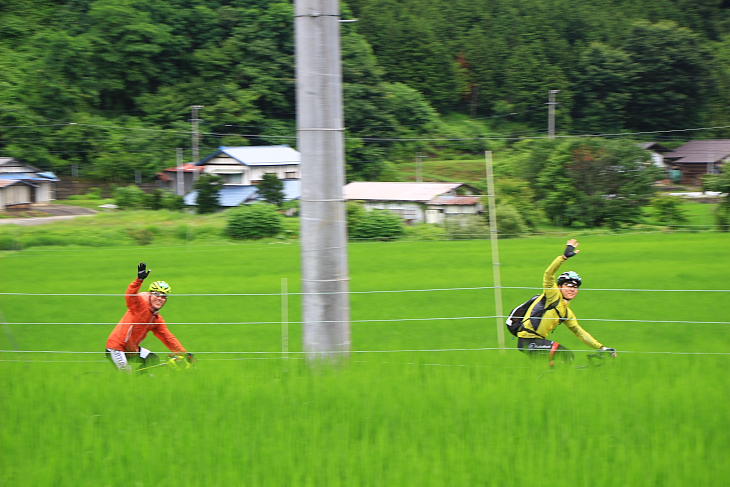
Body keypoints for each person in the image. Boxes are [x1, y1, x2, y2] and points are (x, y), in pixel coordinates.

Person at [516, 239, 616, 366]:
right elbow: (548, 274)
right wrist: (563, 257)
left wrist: (601, 348)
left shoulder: (566, 312)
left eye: (575, 287)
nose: (572, 289)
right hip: (529, 340)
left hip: (537, 342)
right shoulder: (552, 296)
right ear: (559, 287)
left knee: (553, 369)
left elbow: (580, 333)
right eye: (568, 285)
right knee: (566, 356)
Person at [105, 262, 193, 372]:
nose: (159, 298)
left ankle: (140, 381)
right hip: (117, 347)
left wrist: (183, 354)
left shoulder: (156, 319)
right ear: (150, 294)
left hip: (131, 350)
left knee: (152, 359)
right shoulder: (139, 305)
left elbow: (168, 338)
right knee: (126, 375)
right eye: (156, 294)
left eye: (163, 296)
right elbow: (130, 296)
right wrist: (139, 280)